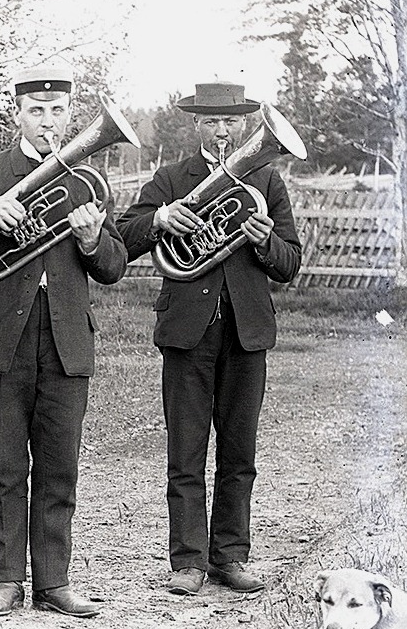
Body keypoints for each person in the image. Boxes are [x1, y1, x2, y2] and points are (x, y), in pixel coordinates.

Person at [0, 65, 127, 619]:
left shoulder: (87, 180)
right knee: (4, 461)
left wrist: (92, 241)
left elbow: (113, 265)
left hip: (66, 336)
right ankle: (5, 580)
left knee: (60, 462)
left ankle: (54, 581)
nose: (47, 122)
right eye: (36, 112)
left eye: (58, 111)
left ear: (70, 115)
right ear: (17, 113)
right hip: (0, 335)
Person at [115, 81, 301, 595]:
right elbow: (124, 237)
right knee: (186, 451)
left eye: (231, 122)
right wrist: (159, 217)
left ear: (243, 126)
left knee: (240, 453)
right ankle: (188, 561)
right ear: (195, 125)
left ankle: (231, 556)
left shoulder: (266, 179)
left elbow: (290, 263)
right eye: (212, 122)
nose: (222, 131)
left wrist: (265, 244)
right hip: (186, 332)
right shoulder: (172, 178)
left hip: (247, 332)